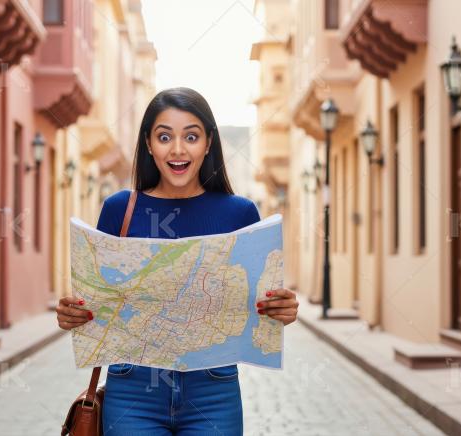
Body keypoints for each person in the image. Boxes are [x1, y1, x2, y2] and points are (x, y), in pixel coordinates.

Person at [55, 87, 299, 435]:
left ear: (208, 143)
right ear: (149, 143)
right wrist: (73, 313)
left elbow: (256, 309)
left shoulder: (240, 214)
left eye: (192, 136)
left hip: (214, 390)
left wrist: (283, 310)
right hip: (132, 389)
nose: (178, 149)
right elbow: (98, 303)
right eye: (165, 136)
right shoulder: (118, 210)